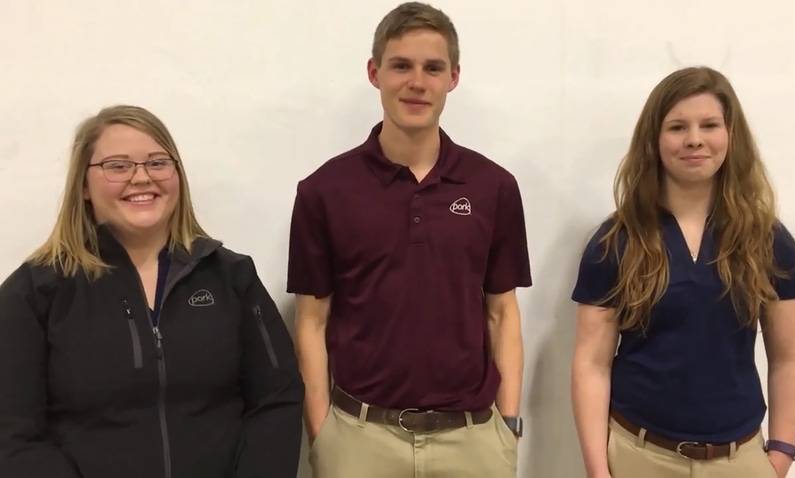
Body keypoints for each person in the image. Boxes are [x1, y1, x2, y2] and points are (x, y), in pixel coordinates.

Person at [286, 2, 532, 477]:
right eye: (401, 65)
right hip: (361, 440)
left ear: (453, 78)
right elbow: (311, 322)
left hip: (472, 440)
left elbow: (503, 313)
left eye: (432, 68)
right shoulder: (324, 191)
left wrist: (508, 425)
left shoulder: (493, 187)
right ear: (375, 72)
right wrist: (323, 434)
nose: (417, 82)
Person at [0, 105, 305, 478]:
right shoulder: (35, 292)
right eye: (118, 165)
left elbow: (276, 399)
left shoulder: (231, 277)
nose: (142, 178)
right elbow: (12, 434)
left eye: (158, 163)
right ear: (83, 185)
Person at [570, 66, 795, 478]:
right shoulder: (616, 241)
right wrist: (598, 469)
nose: (694, 139)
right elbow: (592, 363)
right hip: (637, 455)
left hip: (740, 460)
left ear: (730, 135)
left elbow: (790, 356)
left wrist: (780, 456)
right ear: (654, 140)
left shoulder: (767, 240)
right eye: (678, 126)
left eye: (709, 125)